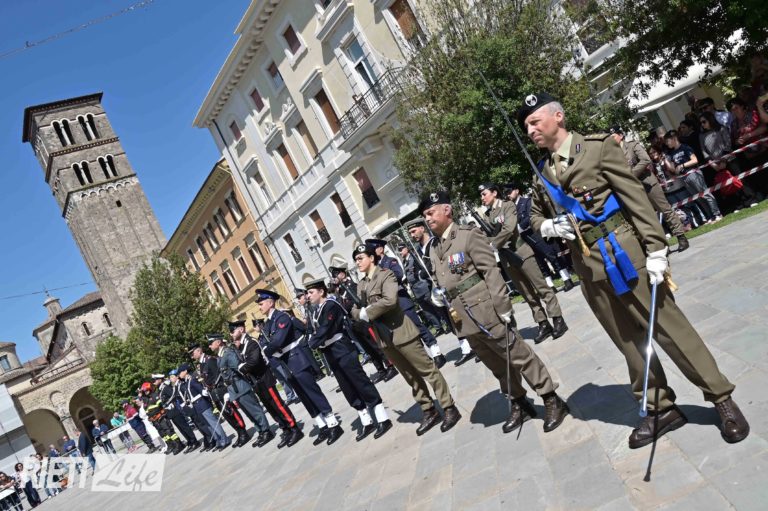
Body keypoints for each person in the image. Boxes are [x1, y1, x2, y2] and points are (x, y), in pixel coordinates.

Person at [519, 91, 749, 448]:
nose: (530, 130)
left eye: (535, 121)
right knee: (628, 341)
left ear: (558, 117)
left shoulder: (597, 148)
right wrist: (547, 226)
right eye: (526, 126)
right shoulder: (542, 172)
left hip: (624, 250)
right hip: (588, 265)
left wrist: (656, 248)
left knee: (669, 329)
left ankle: (721, 397)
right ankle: (660, 407)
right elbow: (534, 214)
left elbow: (635, 198)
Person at [421, 191, 570, 433]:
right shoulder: (433, 248)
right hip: (463, 318)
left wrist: (503, 307)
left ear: (447, 210)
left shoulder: (468, 235)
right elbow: (443, 278)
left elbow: (491, 272)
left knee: (518, 355)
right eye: (425, 215)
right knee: (496, 365)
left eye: (430, 213)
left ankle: (551, 398)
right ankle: (519, 402)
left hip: (486, 310)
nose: (427, 219)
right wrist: (437, 293)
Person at [350, 242, 461, 435]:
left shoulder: (386, 274)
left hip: (401, 331)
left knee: (428, 370)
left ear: (372, 258)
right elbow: (354, 309)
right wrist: (360, 313)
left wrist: (366, 312)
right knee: (411, 377)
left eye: (360, 258)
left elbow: (390, 301)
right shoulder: (361, 285)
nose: (357, 262)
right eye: (355, 260)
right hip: (384, 338)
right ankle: (429, 410)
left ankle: (449, 407)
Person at [478, 183, 569, 343]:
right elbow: (486, 237)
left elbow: (509, 228)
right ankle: (542, 322)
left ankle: (557, 318)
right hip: (507, 258)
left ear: (494, 193)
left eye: (484, 194)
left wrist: (494, 243)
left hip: (521, 252)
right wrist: (492, 242)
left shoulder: (507, 206)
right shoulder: (487, 216)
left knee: (541, 287)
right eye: (481, 195)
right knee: (527, 293)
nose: (482, 198)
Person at [305, 278, 393, 441]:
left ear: (321, 291)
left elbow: (325, 329)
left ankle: (383, 418)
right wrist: (313, 340)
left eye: (311, 292)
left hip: (342, 349)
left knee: (361, 383)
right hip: (330, 353)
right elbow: (310, 332)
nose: (308, 296)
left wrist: (313, 342)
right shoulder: (315, 311)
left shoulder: (331, 305)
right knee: (348, 388)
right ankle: (366, 421)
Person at [258, 289, 344, 446]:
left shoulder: (282, 317)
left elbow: (278, 341)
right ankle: (322, 425)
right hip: (285, 363)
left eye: (261, 303)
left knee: (312, 392)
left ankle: (333, 424)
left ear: (270, 303)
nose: (259, 307)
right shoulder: (268, 324)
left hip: (295, 359)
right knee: (304, 397)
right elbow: (264, 344)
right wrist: (268, 349)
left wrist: (268, 350)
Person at [405, 218, 476, 366]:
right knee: (451, 320)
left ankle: (476, 344)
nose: (412, 235)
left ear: (422, 228)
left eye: (414, 231)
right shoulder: (417, 250)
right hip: (434, 290)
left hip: (447, 286)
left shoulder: (435, 243)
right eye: (410, 233)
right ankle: (467, 347)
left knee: (462, 316)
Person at [366, 238, 447, 367]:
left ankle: (437, 353)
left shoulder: (390, 261)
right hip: (391, 307)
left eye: (373, 249)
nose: (371, 252)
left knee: (418, 327)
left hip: (401, 301)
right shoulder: (375, 268)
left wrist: (382, 283)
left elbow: (399, 274)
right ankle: (425, 358)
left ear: (380, 249)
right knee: (409, 334)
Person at [609, 127, 689, 251]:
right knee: (649, 217)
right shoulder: (613, 153)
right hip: (634, 188)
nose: (611, 139)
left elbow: (645, 159)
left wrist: (631, 174)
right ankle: (661, 244)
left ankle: (681, 236)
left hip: (648, 183)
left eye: (613, 136)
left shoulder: (632, 145)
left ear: (621, 135)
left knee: (665, 210)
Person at [229, 320, 304, 449]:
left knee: (277, 405)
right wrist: (243, 366)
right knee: (270, 408)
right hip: (256, 381)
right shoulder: (241, 346)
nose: (231, 334)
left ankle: (294, 428)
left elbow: (253, 362)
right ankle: (285, 429)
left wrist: (241, 368)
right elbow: (242, 363)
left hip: (264, 378)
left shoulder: (251, 342)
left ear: (241, 329)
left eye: (233, 331)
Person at [502, 183, 576, 292]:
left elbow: (530, 216)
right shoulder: (511, 208)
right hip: (525, 237)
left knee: (552, 255)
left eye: (509, 192)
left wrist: (519, 227)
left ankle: (566, 279)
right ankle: (550, 285)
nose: (508, 195)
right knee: (539, 262)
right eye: (506, 193)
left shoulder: (527, 201)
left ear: (516, 190)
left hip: (535, 233)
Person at [330, 264, 398, 381]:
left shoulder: (353, 286)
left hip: (362, 321)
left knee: (376, 345)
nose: (335, 277)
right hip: (353, 323)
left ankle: (390, 365)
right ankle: (380, 369)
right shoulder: (340, 292)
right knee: (368, 349)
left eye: (336, 274)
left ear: (343, 274)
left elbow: (356, 302)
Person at [210, 332, 273, 448]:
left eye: (211, 343)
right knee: (249, 413)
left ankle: (266, 431)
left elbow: (239, 368)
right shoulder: (220, 356)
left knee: (255, 411)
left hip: (240, 386)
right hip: (233, 389)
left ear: (218, 342)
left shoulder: (228, 353)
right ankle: (260, 431)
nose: (209, 346)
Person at [190, 341, 250, 452]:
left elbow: (220, 375)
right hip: (214, 394)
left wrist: (225, 390)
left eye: (193, 353)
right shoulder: (202, 364)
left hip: (221, 391)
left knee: (231, 412)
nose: (192, 356)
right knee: (227, 416)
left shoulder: (210, 360)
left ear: (199, 351)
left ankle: (243, 433)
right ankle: (239, 432)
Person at [665, 130, 723, 223]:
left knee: (705, 194)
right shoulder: (671, 154)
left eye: (667, 141)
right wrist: (666, 161)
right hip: (684, 177)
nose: (666, 143)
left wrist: (682, 165)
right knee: (698, 198)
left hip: (693, 173)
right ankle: (711, 216)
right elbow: (673, 169)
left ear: (674, 138)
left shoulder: (685, 147)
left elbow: (695, 160)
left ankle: (717, 214)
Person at [177, 363, 231, 451]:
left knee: (213, 423)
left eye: (180, 372)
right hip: (196, 406)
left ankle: (224, 440)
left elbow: (201, 390)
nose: (179, 375)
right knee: (208, 425)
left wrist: (204, 392)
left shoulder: (193, 379)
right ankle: (218, 441)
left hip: (202, 404)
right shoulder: (187, 382)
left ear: (185, 371)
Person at [137, 380, 186, 455]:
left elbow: (160, 406)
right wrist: (150, 417)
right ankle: (170, 445)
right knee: (163, 434)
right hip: (155, 420)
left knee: (169, 431)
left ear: (150, 389)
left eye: (147, 390)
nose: (146, 392)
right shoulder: (146, 399)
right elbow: (147, 409)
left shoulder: (154, 395)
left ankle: (178, 444)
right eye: (144, 391)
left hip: (161, 418)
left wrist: (158, 414)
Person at [158, 371, 201, 453]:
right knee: (181, 428)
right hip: (170, 412)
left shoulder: (166, 387)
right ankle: (189, 442)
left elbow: (173, 395)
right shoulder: (161, 389)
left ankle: (194, 441)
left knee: (184, 427)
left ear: (160, 380)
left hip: (175, 410)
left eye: (156, 380)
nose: (154, 382)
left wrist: (168, 403)